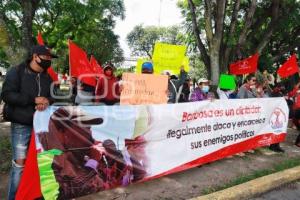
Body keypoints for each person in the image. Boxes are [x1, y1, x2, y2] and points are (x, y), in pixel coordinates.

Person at [1, 45, 57, 200]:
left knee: (41, 163)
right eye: (46, 58)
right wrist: (32, 100)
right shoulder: (17, 71)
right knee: (20, 165)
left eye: (50, 59)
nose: (48, 61)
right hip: (21, 124)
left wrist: (47, 100)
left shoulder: (47, 77)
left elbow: (54, 96)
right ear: (35, 56)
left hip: (42, 127)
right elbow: (6, 94)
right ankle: (14, 197)